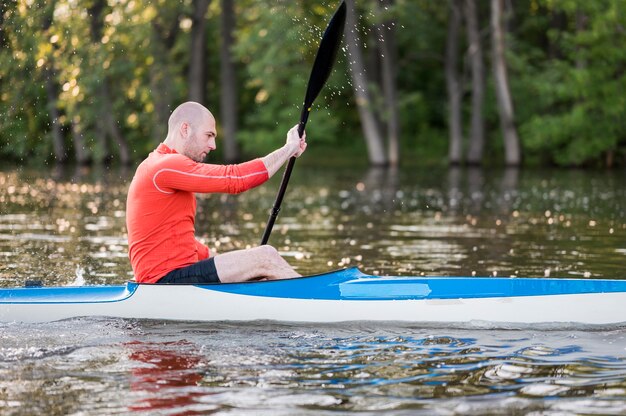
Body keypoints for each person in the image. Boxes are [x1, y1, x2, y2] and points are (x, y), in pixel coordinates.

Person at [126, 101, 307, 284]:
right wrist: (288, 149)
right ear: (185, 129)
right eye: (209, 135)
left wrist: (240, 268)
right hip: (164, 282)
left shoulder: (156, 165)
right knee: (266, 256)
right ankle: (318, 299)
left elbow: (178, 240)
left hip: (173, 276)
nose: (213, 145)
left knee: (255, 264)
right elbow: (236, 179)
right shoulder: (165, 167)